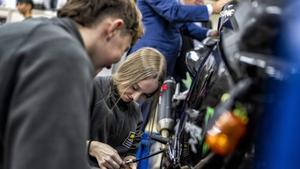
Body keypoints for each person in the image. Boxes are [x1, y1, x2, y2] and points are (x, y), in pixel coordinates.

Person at [0, 0, 143, 169]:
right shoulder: (67, 56)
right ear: (113, 29)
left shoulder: (18, 32)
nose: (109, 66)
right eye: (121, 51)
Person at [88, 47, 166, 169]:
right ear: (127, 70)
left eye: (145, 95)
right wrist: (91, 147)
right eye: (134, 87)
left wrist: (130, 160)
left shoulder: (136, 115)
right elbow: (54, 136)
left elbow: (131, 150)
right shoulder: (91, 90)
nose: (135, 98)